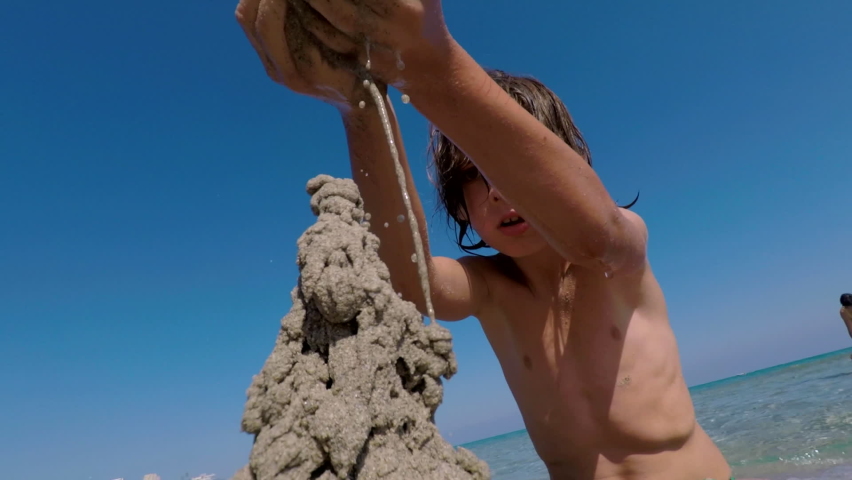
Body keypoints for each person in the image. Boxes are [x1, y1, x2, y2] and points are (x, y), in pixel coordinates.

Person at [234, 1, 736, 478]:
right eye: (475, 177)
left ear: (569, 166)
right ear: (460, 208)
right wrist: (360, 102)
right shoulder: (493, 290)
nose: (498, 192)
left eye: (515, 175)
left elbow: (591, 234)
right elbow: (408, 282)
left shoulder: (620, 254)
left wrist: (427, 63)